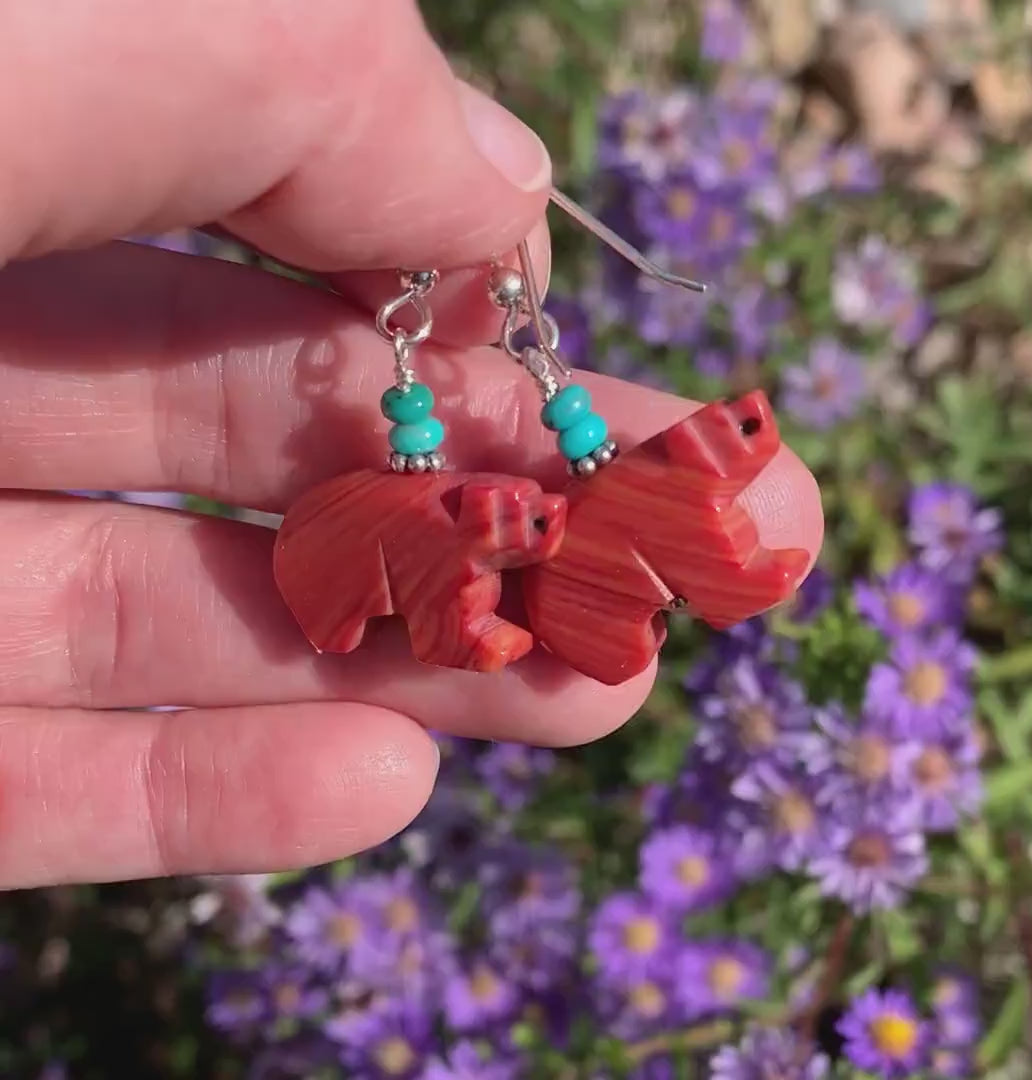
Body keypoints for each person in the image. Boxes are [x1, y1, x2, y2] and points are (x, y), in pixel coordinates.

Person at [0, 0, 821, 890]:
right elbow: (448, 616)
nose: (537, 523)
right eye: (524, 520)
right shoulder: (459, 533)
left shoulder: (568, 517)